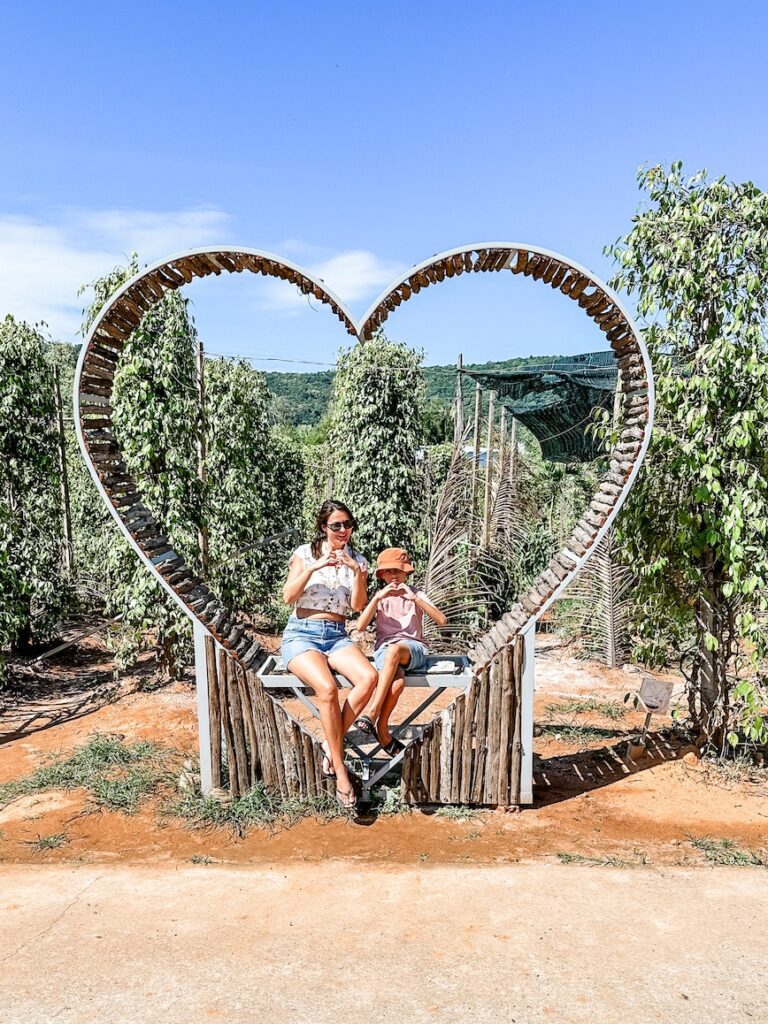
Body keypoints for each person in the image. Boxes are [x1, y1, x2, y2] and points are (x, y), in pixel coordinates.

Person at [281, 500, 377, 809]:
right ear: (324, 527)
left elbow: (358, 606)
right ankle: (341, 773)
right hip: (302, 633)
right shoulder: (304, 553)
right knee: (327, 689)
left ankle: (329, 743)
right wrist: (314, 567)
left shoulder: (358, 560)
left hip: (336, 635)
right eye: (336, 525)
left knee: (368, 678)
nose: (343, 530)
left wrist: (357, 573)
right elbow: (288, 596)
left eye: (348, 524)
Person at [353, 547, 447, 754]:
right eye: (388, 571)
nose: (394, 575)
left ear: (407, 572)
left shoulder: (417, 594)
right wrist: (377, 598)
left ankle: (372, 711)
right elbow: (360, 626)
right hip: (385, 652)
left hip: (413, 649)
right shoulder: (380, 597)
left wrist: (415, 599)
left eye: (398, 570)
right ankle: (383, 730)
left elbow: (441, 620)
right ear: (382, 575)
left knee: (394, 650)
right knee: (396, 683)